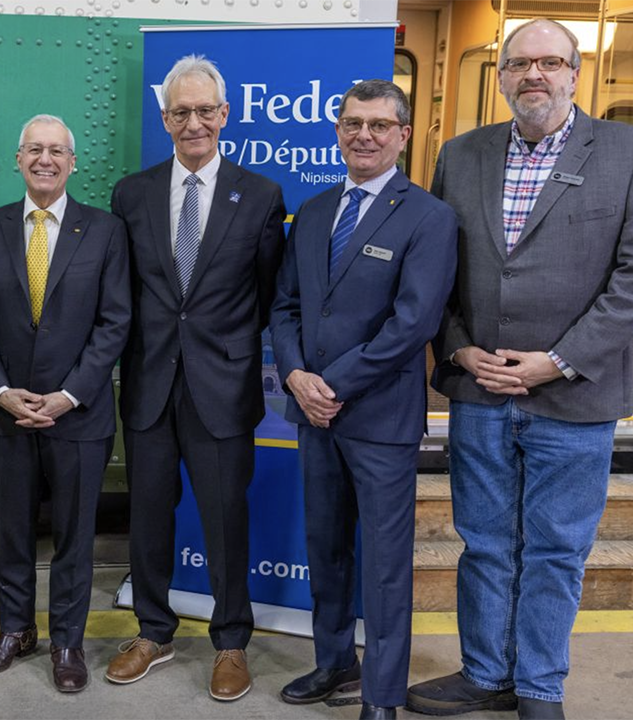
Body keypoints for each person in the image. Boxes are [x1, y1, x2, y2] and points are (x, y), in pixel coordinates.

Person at [406, 19, 633, 720]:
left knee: (556, 550)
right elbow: (437, 271)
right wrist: (458, 349)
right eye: (520, 63)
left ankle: (539, 688)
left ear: (574, 73)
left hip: (574, 396)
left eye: (550, 62)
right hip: (479, 390)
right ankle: (486, 674)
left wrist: (556, 362)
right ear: (500, 77)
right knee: (485, 543)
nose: (535, 75)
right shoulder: (461, 155)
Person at [270, 80, 458, 720]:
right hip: (313, 412)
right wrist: (296, 376)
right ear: (338, 130)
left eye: (380, 125)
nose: (365, 136)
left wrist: (335, 386)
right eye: (353, 124)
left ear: (404, 135)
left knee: (383, 565)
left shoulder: (429, 217)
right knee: (324, 547)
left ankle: (380, 695)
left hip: (377, 420)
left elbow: (414, 324)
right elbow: (287, 306)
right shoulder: (316, 209)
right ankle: (333, 663)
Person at [106, 54, 287, 701]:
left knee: (223, 520)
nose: (193, 123)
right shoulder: (131, 194)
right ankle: (152, 631)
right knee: (149, 516)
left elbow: (266, 295)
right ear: (165, 118)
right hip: (150, 387)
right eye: (180, 112)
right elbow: (121, 292)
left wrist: (222, 348)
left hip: (221, 389)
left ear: (225, 116)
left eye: (204, 111)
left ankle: (231, 640)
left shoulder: (261, 195)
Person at [0, 115, 131, 693]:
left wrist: (67, 395)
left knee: (74, 536)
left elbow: (114, 322)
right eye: (34, 149)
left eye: (57, 151)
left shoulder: (105, 231)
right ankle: (15, 630)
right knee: (10, 528)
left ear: (73, 162)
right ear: (17, 158)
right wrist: (4, 392)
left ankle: (66, 641)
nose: (45, 160)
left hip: (78, 414)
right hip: (8, 412)